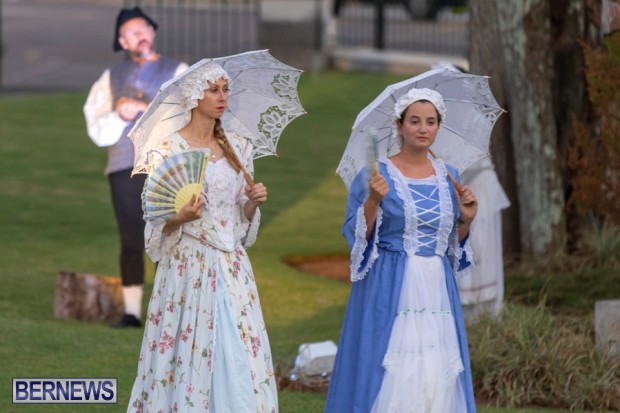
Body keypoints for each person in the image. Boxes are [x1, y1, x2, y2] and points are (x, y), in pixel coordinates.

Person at [126, 62, 278, 412]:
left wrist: (252, 203)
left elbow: (238, 221)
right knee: (190, 349)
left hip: (233, 267)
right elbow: (156, 223)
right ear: (195, 96)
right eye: (214, 90)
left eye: (225, 89)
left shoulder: (238, 147)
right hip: (187, 266)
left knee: (237, 345)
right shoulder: (168, 149)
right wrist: (181, 218)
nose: (223, 97)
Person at [325, 88, 478, 412]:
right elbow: (356, 237)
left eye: (431, 122)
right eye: (415, 121)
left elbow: (451, 245)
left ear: (439, 126)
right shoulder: (375, 174)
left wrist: (466, 218)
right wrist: (373, 200)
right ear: (399, 126)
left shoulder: (449, 176)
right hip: (390, 282)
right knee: (392, 365)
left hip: (437, 287)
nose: (423, 129)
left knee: (436, 368)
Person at [83, 6, 189, 328]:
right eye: (131, 32)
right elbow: (97, 130)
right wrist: (119, 115)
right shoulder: (110, 77)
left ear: (152, 32)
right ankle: (131, 313)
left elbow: (189, 117)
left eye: (143, 28)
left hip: (165, 166)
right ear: (122, 42)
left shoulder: (178, 71)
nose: (139, 35)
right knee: (131, 239)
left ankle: (167, 311)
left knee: (166, 236)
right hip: (124, 168)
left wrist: (147, 108)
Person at [458, 157, 510, 322]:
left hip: (481, 188)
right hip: (467, 188)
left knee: (486, 250)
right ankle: (468, 307)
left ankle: (488, 308)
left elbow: (471, 164)